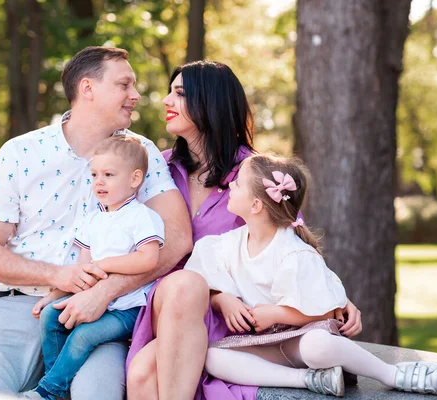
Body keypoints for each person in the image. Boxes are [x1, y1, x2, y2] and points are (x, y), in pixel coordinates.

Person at [126, 60, 364, 400]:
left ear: (212, 102)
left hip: (232, 314)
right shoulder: (158, 168)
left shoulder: (253, 173)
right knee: (182, 288)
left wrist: (337, 297)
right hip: (170, 304)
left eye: (179, 93)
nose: (165, 100)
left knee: (142, 374)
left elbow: (291, 238)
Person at [0, 46, 193, 398]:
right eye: (124, 85)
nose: (136, 95)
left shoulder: (141, 153)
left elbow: (178, 238)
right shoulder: (20, 153)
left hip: (103, 314)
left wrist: (103, 292)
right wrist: (59, 276)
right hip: (20, 307)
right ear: (88, 89)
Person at [187, 153, 437, 397]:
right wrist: (222, 299)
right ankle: (308, 380)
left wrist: (276, 314)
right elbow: (202, 276)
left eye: (238, 183)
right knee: (212, 357)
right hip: (266, 345)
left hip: (302, 340)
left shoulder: (294, 253)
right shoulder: (227, 244)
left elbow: (327, 311)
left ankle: (392, 374)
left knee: (317, 346)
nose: (230, 185)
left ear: (256, 205)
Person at [22, 135, 165, 400]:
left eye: (109, 174)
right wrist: (57, 294)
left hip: (128, 309)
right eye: (95, 174)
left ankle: (49, 391)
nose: (99, 181)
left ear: (134, 179)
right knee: (50, 317)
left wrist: (106, 264)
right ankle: (58, 387)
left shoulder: (141, 217)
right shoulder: (93, 219)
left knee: (83, 335)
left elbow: (148, 259)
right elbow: (83, 266)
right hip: (95, 301)